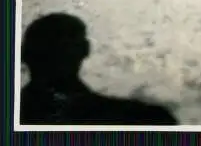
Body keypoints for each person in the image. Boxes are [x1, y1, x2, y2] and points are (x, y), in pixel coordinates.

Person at [20, 13, 178, 125]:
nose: (55, 54)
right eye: (50, 47)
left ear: (24, 54)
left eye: (61, 46)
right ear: (85, 49)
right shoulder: (140, 118)